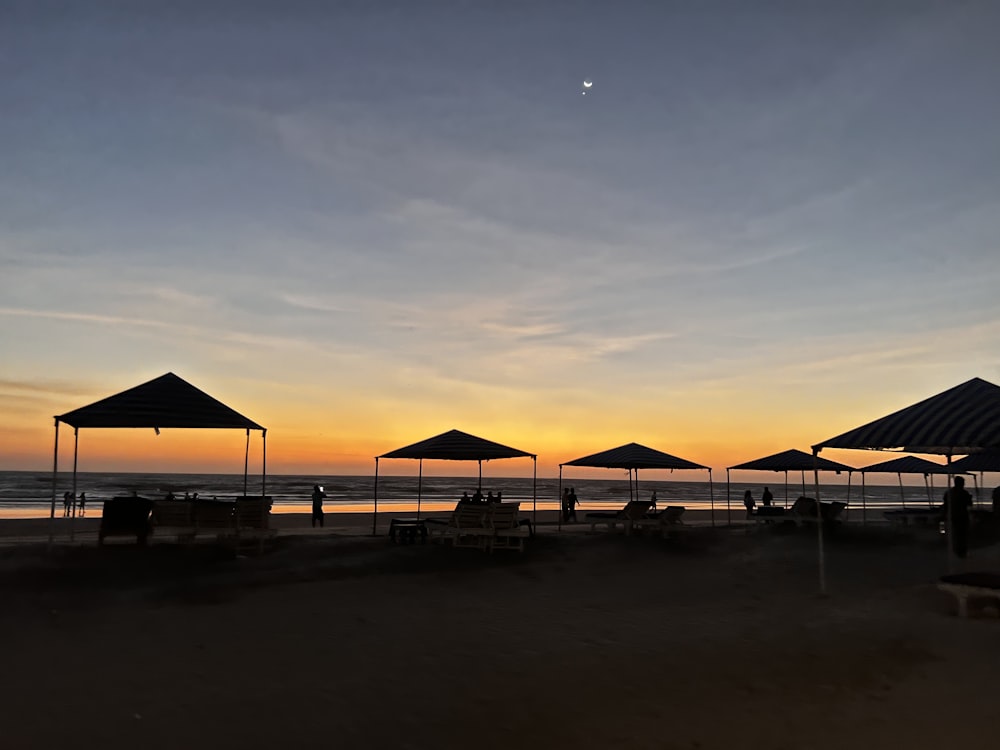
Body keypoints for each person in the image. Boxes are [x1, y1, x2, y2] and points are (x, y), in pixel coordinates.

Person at [944, 476, 973, 558]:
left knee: (956, 533)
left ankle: (957, 550)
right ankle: (961, 551)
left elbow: (946, 504)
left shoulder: (949, 492)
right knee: (962, 534)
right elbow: (969, 504)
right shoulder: (964, 493)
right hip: (962, 516)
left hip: (953, 515)